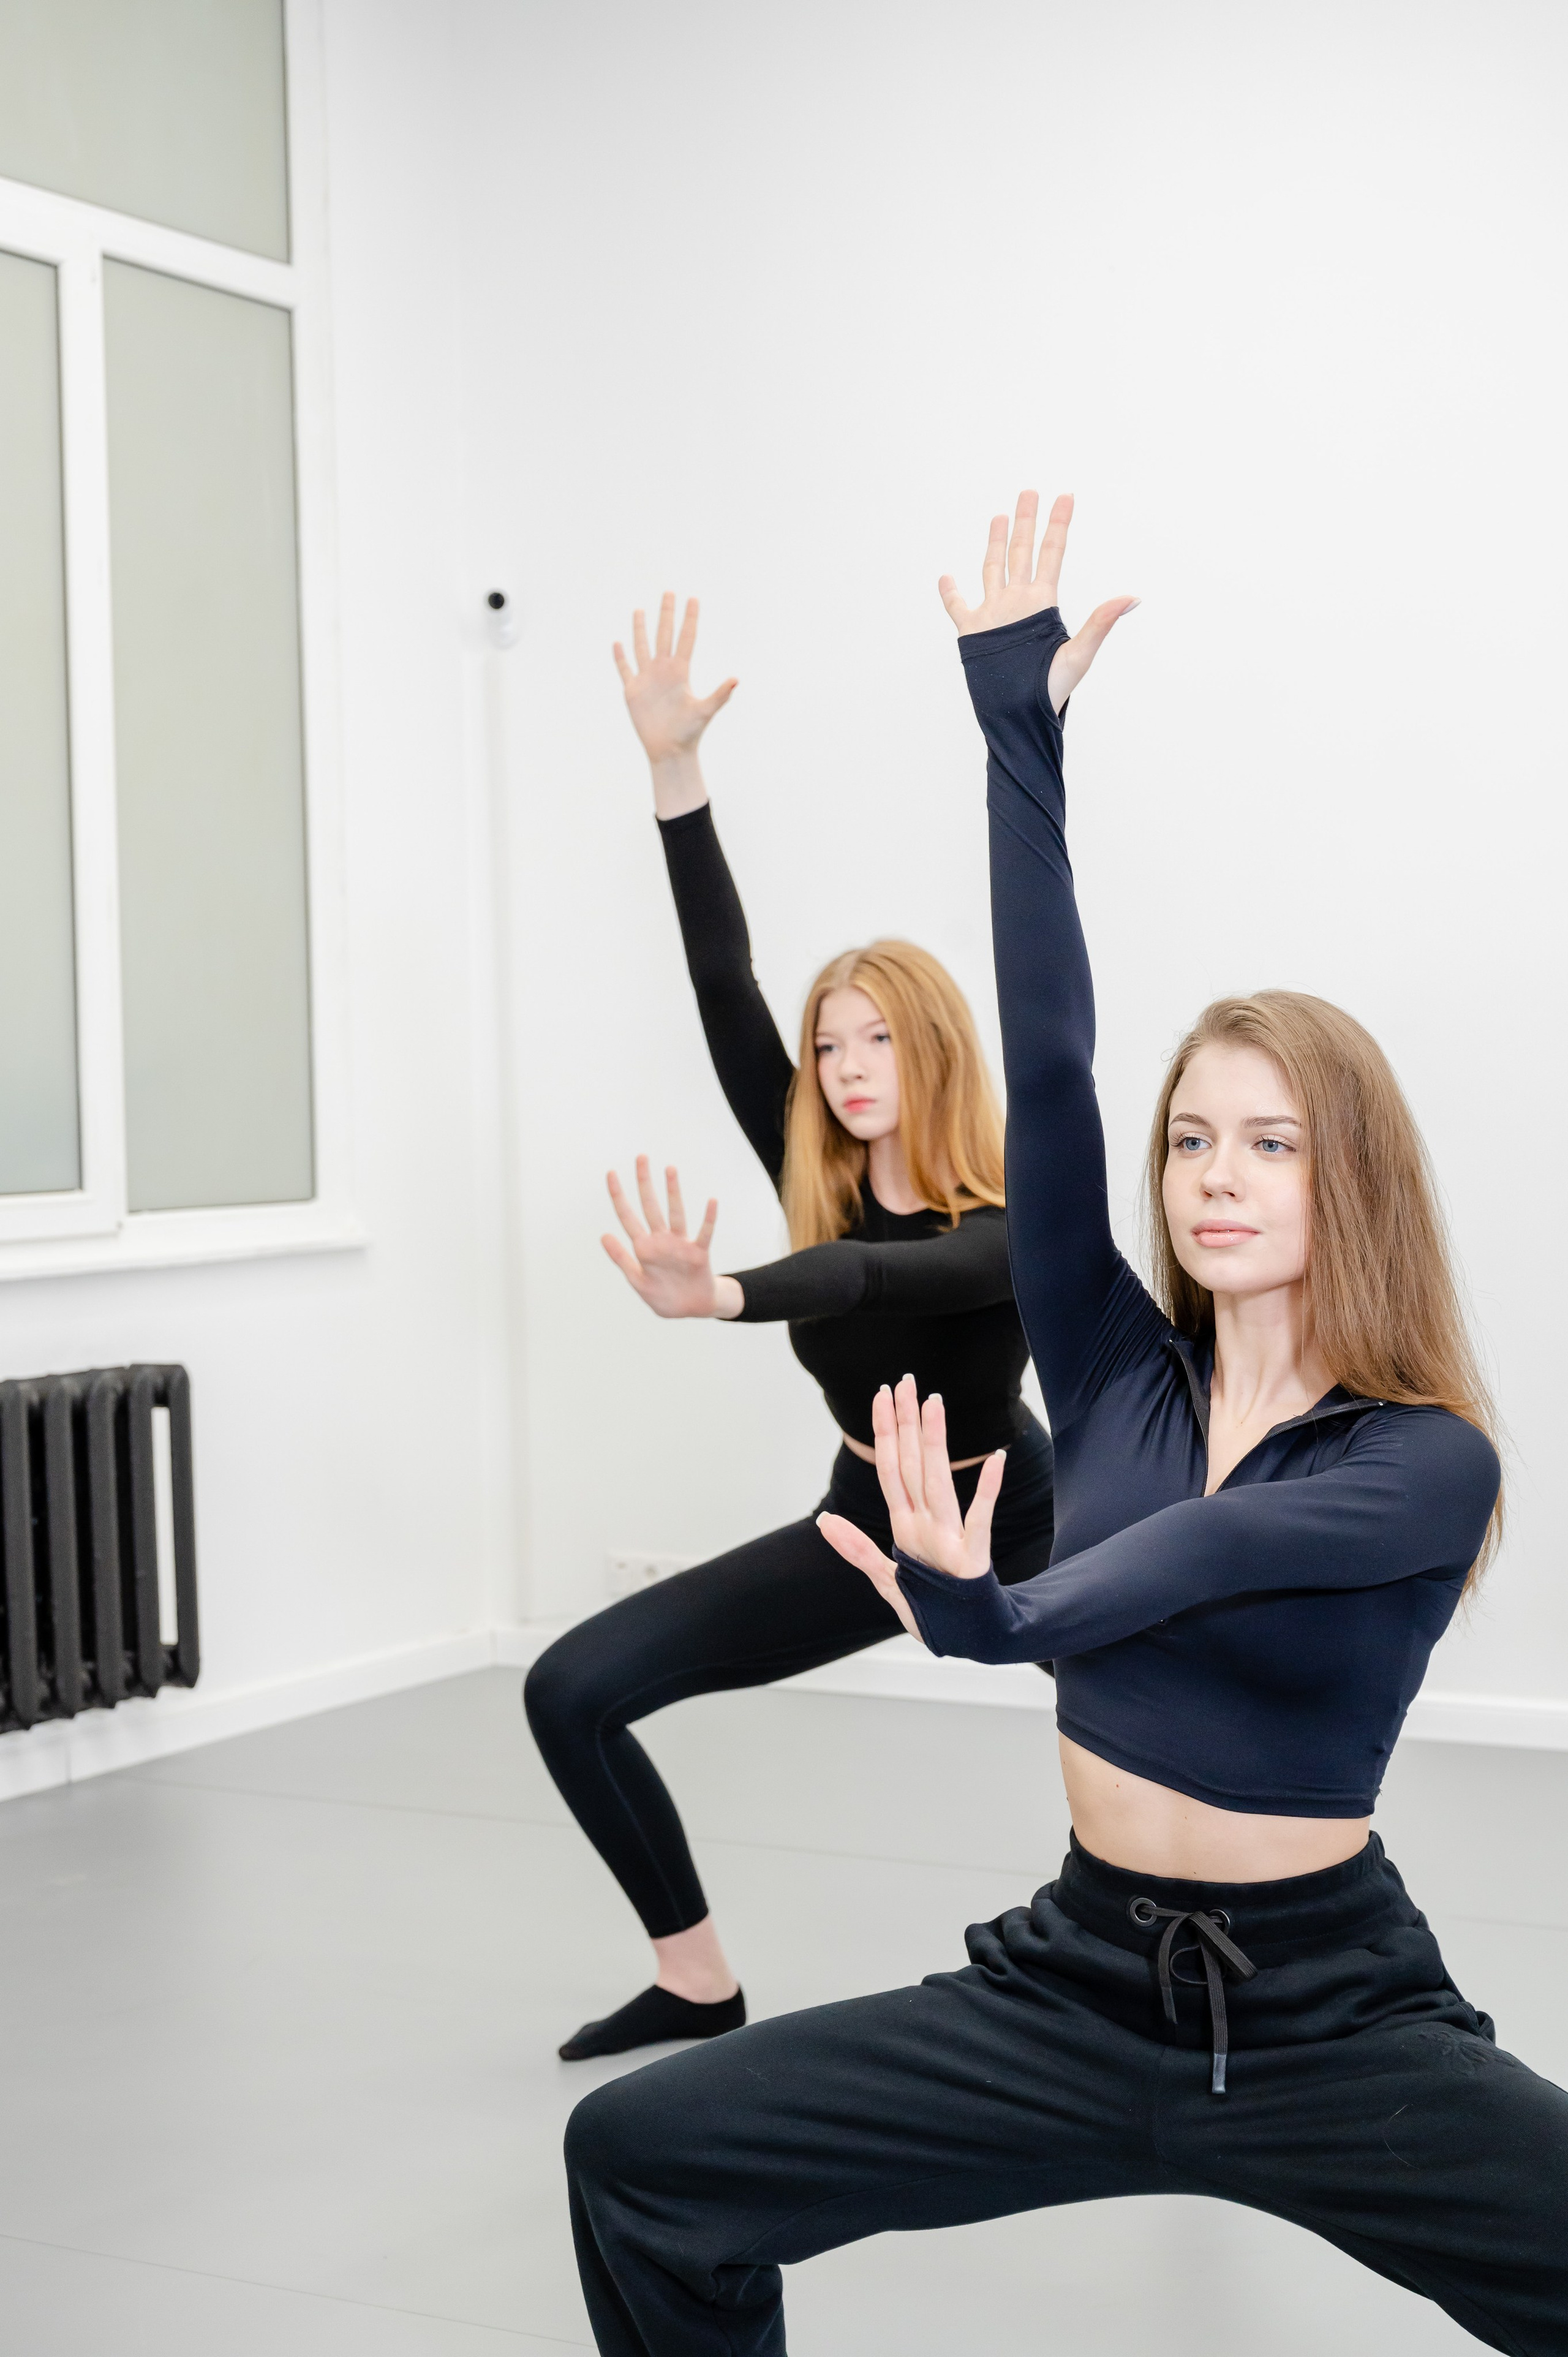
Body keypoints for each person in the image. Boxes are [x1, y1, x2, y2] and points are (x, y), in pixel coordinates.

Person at [562, 496, 1568, 2355]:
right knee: (643, 2158)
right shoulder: (1105, 1360)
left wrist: (993, 1616)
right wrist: (1017, 731)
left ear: (1357, 1180)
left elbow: (1209, 1553)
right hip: (1077, 1978)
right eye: (1194, 1137)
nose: (1215, 1173)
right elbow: (1045, 1060)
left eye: (1272, 1140)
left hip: (1331, 2014)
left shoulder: (1426, 1455)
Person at [524, 590, 1057, 2061]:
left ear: (933, 1045)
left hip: (1013, 1521)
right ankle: (695, 1978)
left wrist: (732, 1296)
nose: (842, 1061)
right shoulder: (802, 1159)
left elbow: (881, 1286)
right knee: (569, 1690)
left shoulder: (1010, 1218)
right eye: (828, 1041)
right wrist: (671, 772)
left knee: (1168, 1714)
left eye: (876, 1034)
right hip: (859, 1525)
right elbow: (718, 977)